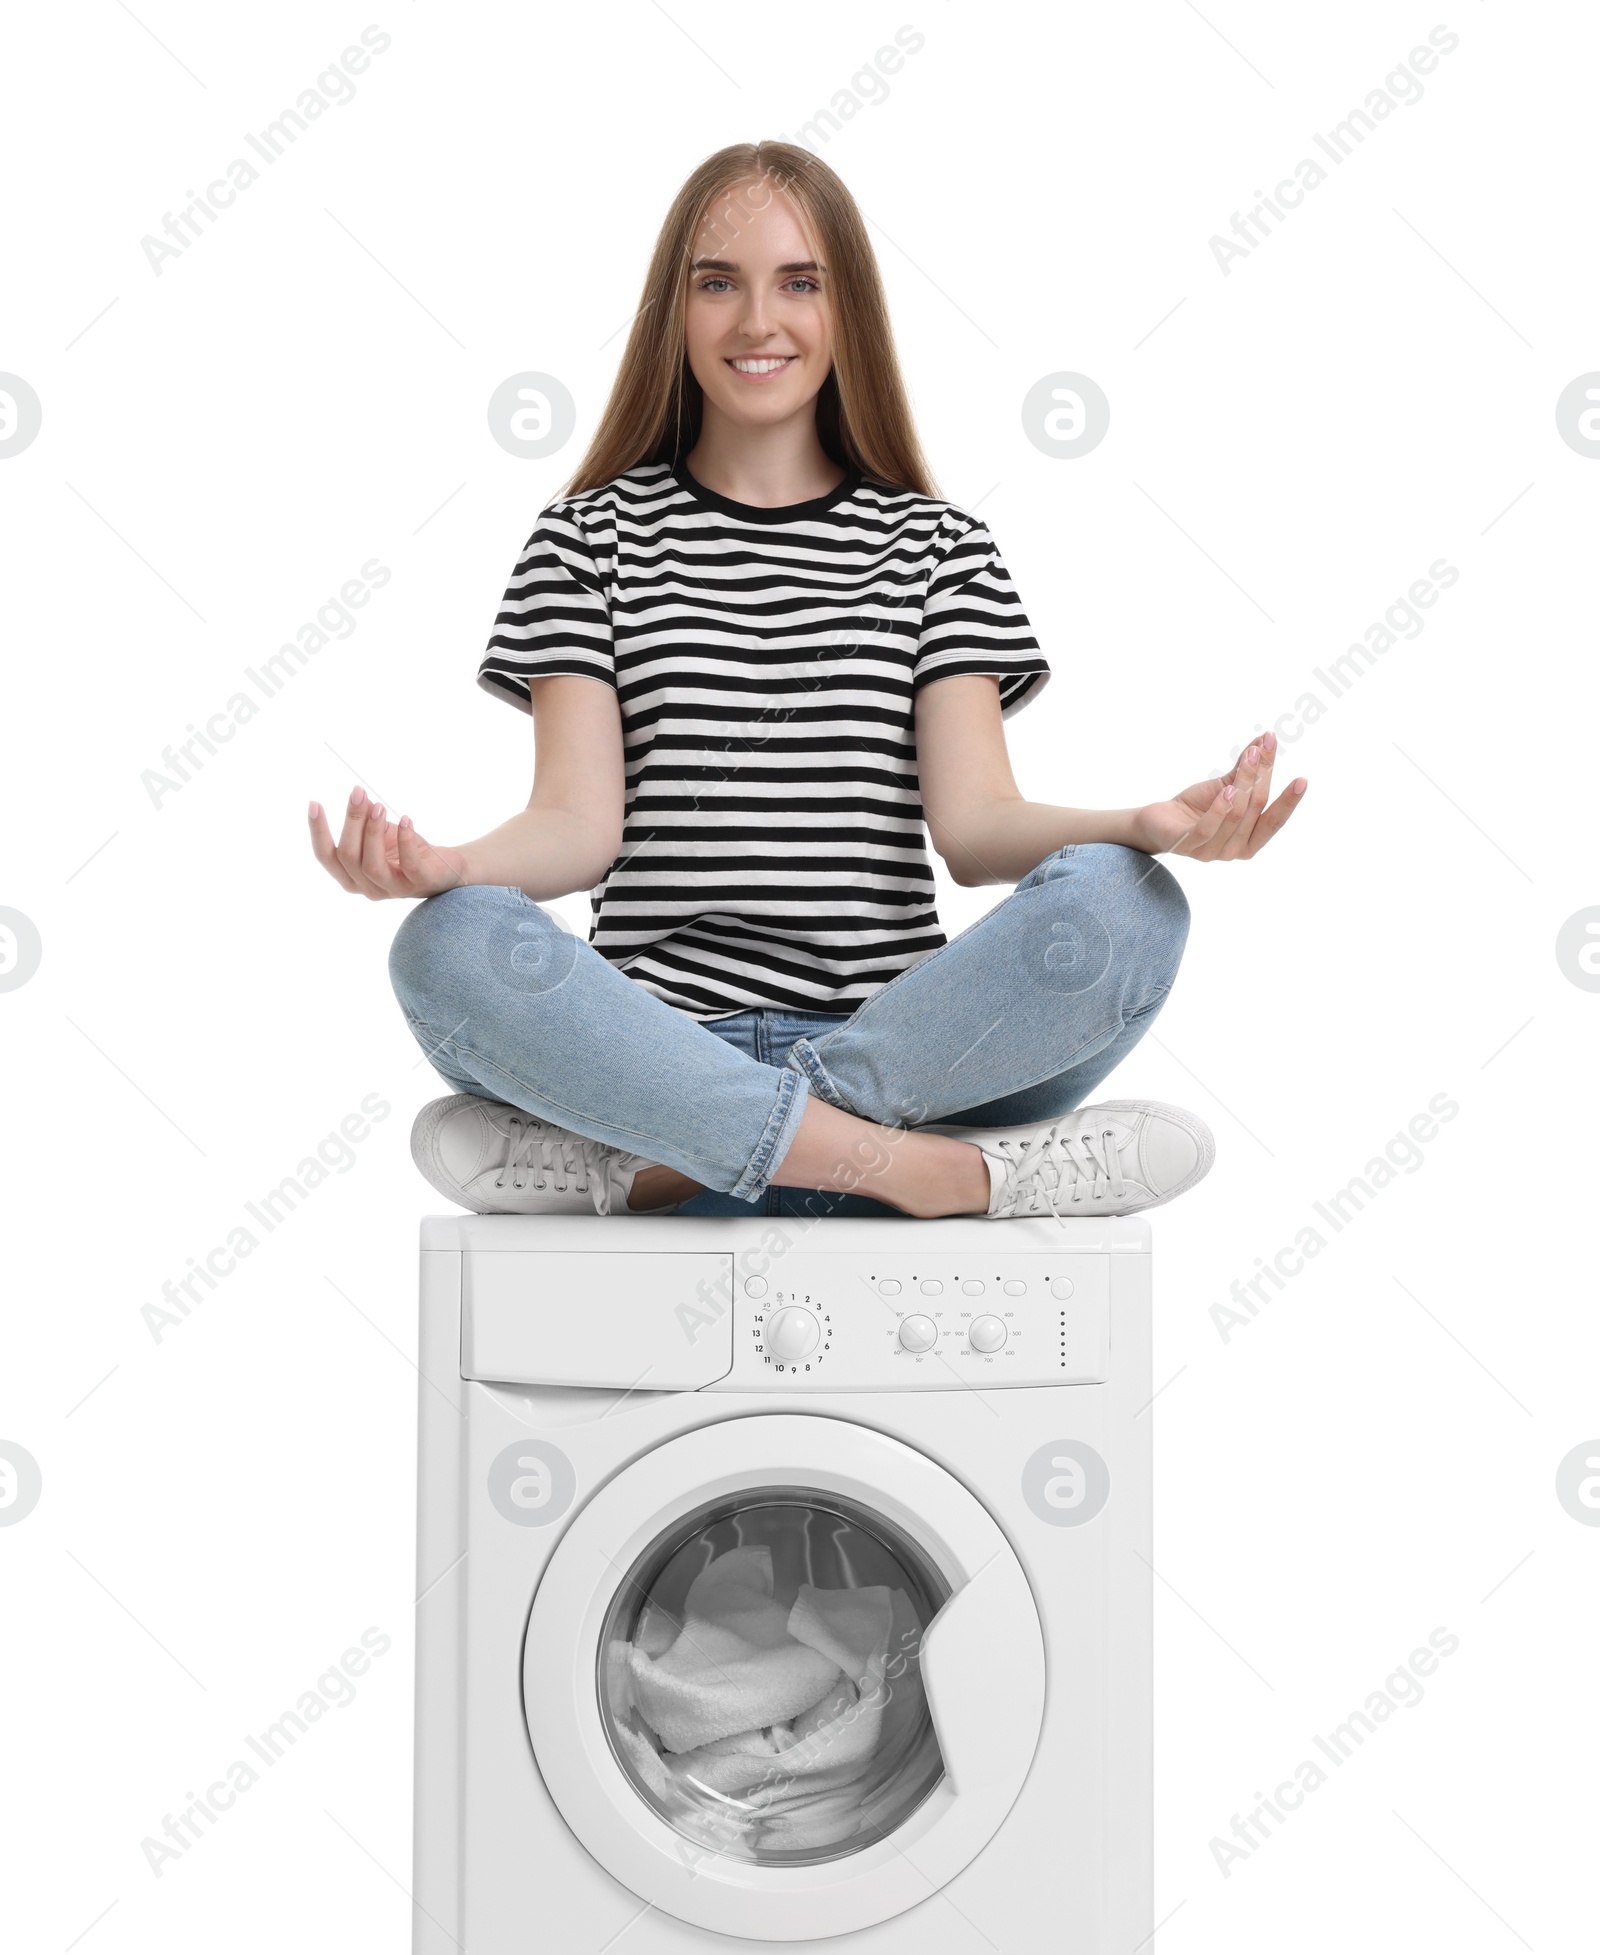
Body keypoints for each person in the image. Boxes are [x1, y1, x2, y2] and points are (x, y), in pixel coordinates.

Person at [309, 142, 1303, 1222]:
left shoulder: (939, 548)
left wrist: (1141, 821)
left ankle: (661, 1161)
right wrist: (450, 865)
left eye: (798, 282)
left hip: (905, 1046)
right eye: (716, 283)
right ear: (672, 313)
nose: (755, 323)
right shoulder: (584, 539)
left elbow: (975, 826)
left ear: (847, 312)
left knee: (1131, 903)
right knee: (445, 944)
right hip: (652, 1041)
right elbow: (574, 825)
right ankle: (939, 1177)